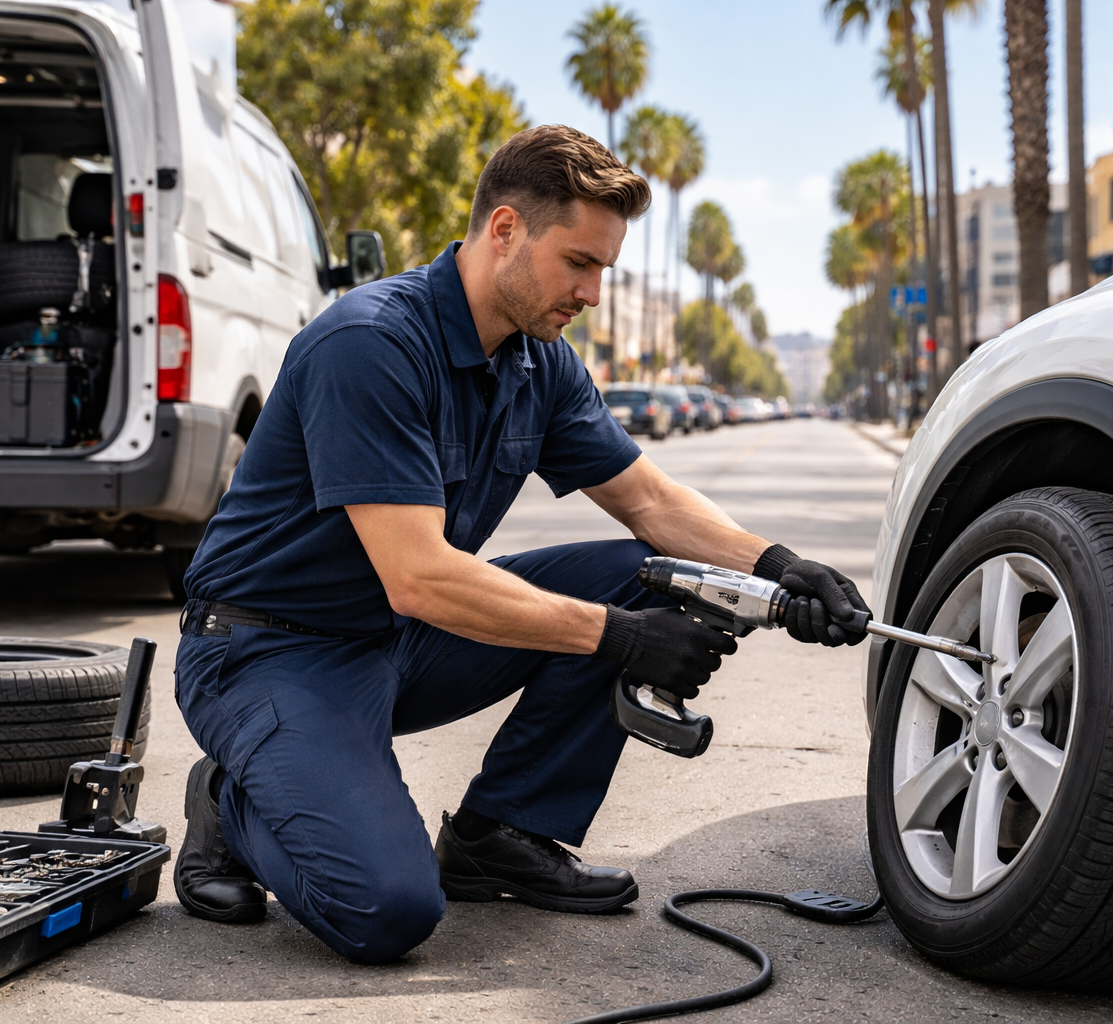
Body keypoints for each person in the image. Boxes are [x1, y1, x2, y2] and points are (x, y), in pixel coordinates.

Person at [172, 125, 870, 964]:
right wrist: (620, 639)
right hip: (266, 652)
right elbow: (421, 576)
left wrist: (779, 569)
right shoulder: (371, 345)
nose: (593, 293)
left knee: (646, 577)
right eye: (579, 263)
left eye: (604, 270)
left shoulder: (540, 364)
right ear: (504, 229)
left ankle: (502, 833)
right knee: (385, 911)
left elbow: (647, 501)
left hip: (394, 643)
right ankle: (234, 796)